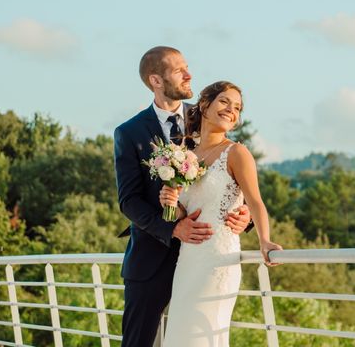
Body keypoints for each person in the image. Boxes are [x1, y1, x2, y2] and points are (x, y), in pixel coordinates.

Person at [114, 47, 252, 347]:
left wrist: (246, 215)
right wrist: (172, 227)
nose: (189, 75)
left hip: (205, 260)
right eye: (179, 70)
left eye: (187, 67)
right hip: (151, 259)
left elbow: (237, 176)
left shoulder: (210, 115)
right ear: (156, 80)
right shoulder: (129, 132)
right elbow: (129, 200)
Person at [159, 81, 282, 347]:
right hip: (187, 262)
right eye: (225, 102)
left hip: (217, 262)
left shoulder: (237, 153)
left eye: (237, 107)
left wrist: (265, 240)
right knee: (180, 336)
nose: (231, 110)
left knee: (203, 335)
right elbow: (184, 212)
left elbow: (256, 201)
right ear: (204, 104)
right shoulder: (185, 155)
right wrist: (171, 203)